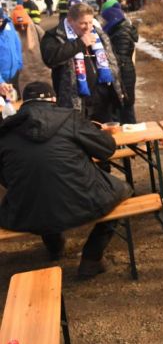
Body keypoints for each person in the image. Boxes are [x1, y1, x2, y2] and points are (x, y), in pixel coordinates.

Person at [0, 81, 132, 278]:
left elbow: (5, 177)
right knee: (125, 189)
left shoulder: (5, 131)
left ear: (24, 103)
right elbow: (106, 150)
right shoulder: (69, 118)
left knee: (40, 189)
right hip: (83, 201)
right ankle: (92, 257)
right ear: (53, 99)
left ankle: (55, 246)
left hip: (25, 212)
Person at [41, 2, 124, 123]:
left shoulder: (97, 33)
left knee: (105, 137)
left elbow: (113, 59)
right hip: (75, 101)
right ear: (70, 20)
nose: (88, 27)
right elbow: (50, 59)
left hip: (102, 97)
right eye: (83, 23)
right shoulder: (54, 36)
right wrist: (79, 44)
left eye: (90, 22)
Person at [100, 1, 139, 124]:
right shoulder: (118, 29)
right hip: (123, 73)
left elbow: (120, 59)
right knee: (122, 109)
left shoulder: (121, 33)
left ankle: (133, 140)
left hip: (123, 75)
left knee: (126, 109)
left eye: (104, 20)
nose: (103, 23)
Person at [0, 7, 22, 100]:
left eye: (1, 20)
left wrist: (19, 63)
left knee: (14, 107)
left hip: (14, 75)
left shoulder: (8, 22)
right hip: (1, 78)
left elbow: (16, 43)